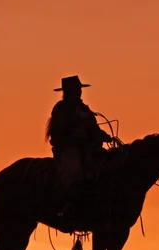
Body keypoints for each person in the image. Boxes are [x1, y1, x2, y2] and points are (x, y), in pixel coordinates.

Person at [45, 75, 112, 217]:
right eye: (77, 89)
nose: (79, 92)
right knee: (73, 169)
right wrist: (75, 130)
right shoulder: (60, 109)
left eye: (79, 89)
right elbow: (58, 130)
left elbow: (93, 127)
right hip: (68, 147)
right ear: (69, 91)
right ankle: (68, 205)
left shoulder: (84, 109)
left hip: (88, 146)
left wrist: (102, 135)